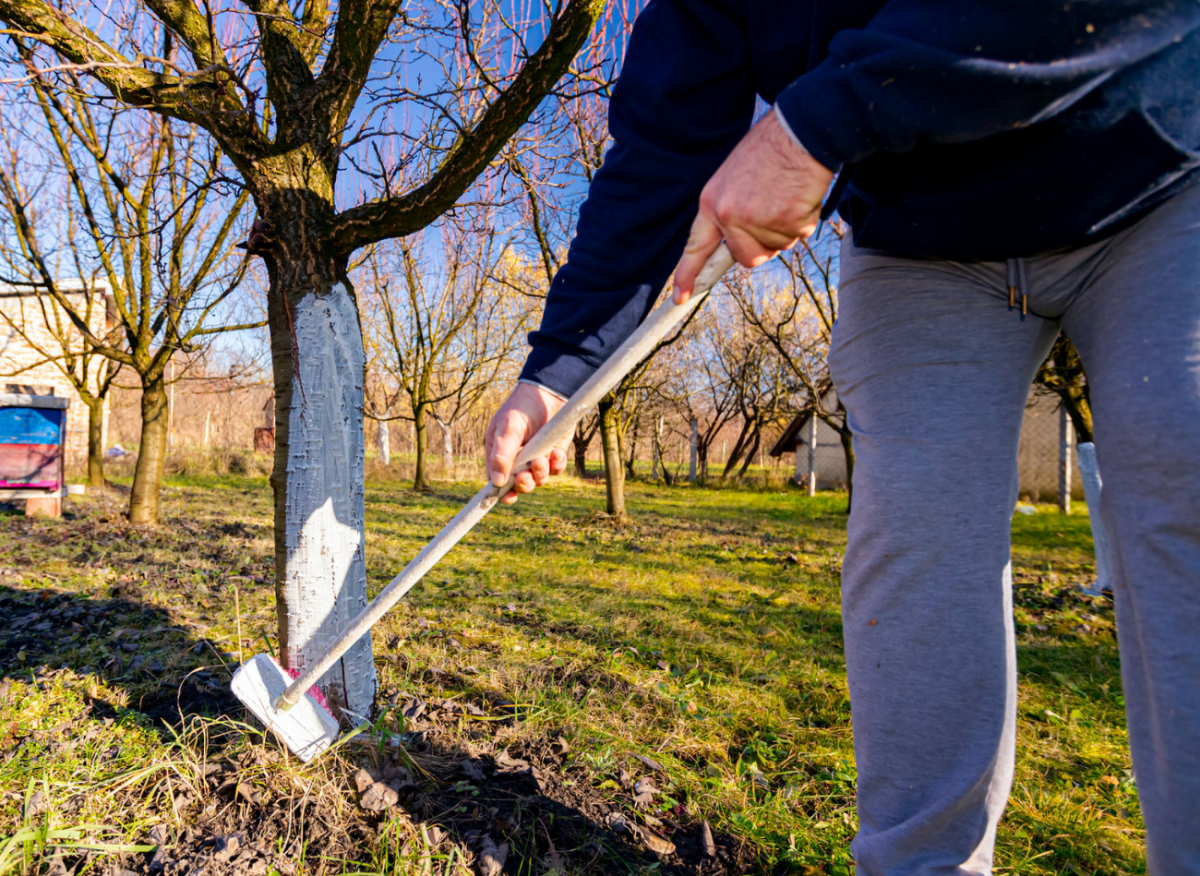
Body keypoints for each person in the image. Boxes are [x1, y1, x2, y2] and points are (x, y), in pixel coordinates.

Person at [484, 1, 1200, 873]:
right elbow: (661, 155)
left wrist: (814, 126)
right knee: (917, 553)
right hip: (922, 239)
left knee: (1186, 501)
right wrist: (558, 372)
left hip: (1156, 165)